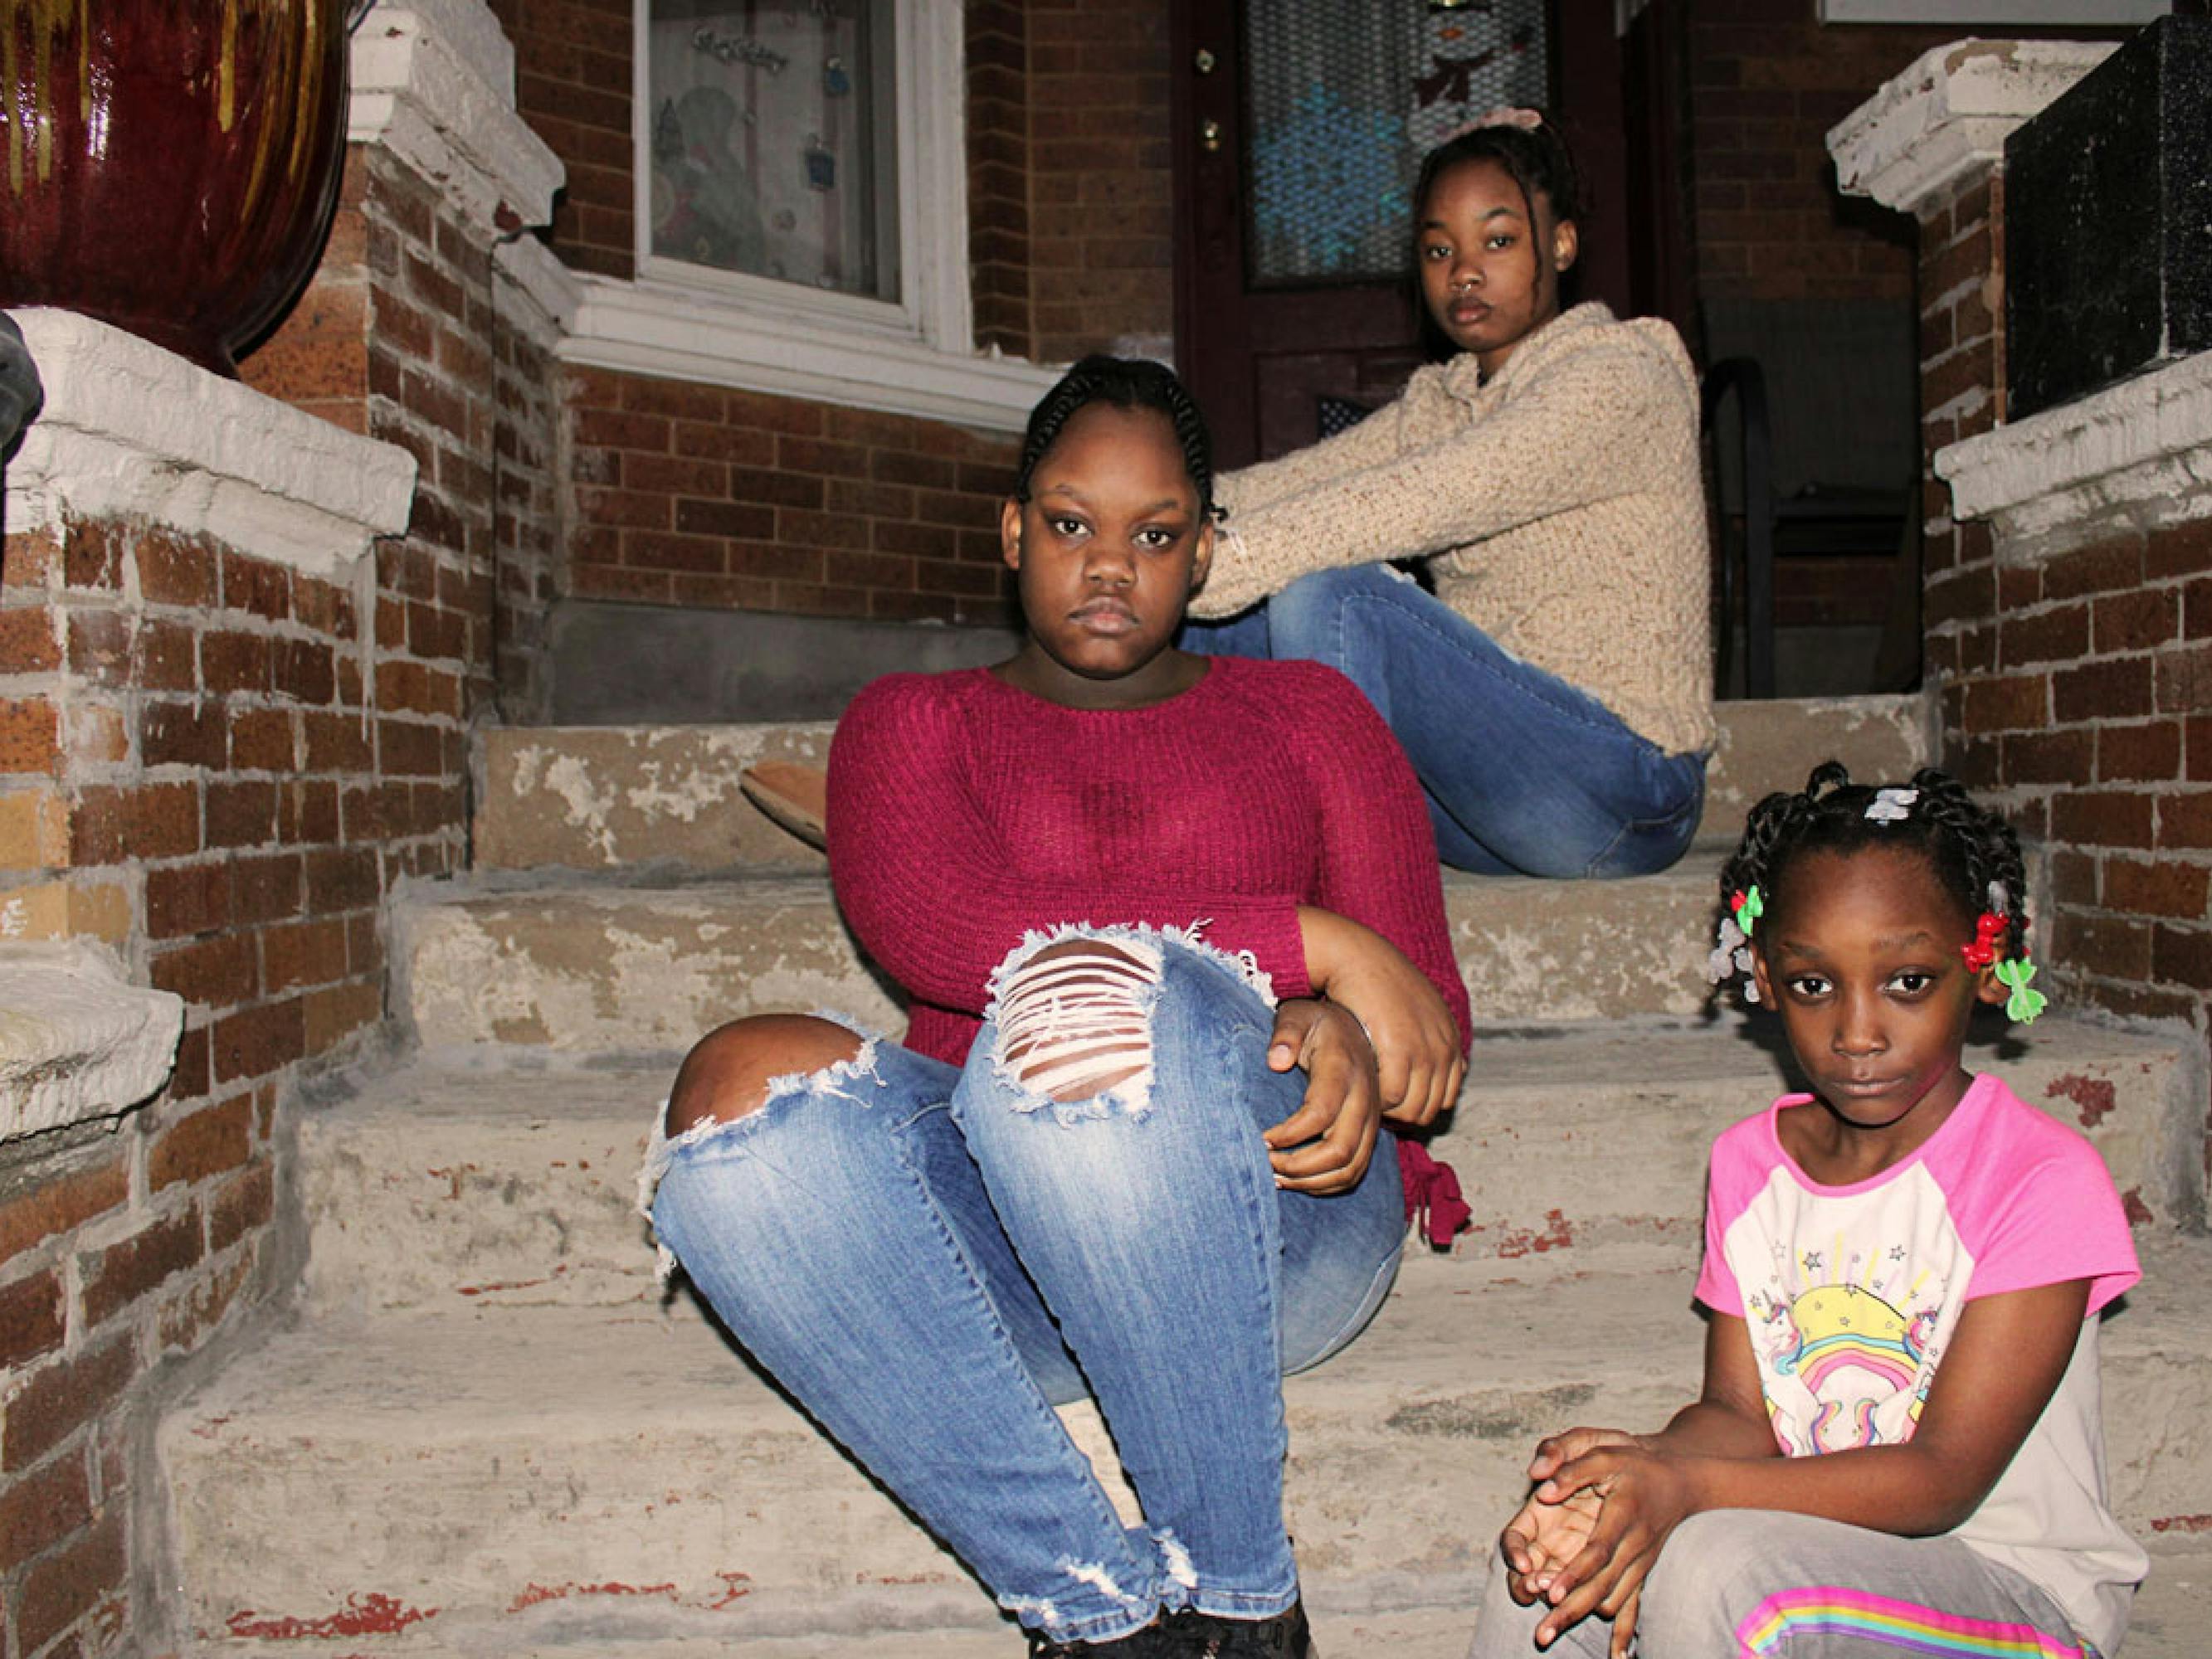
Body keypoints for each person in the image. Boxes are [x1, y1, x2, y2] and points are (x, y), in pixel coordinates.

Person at [642, 356, 1473, 1657]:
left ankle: (1243, 1591)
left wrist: (1337, 1024)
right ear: (1012, 529)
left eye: (1153, 536)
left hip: (1272, 1225)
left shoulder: (1310, 715)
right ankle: (1099, 1611)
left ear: (1201, 554)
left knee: (1102, 1005)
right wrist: (1298, 948)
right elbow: (944, 933)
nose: (1107, 567)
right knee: (740, 1090)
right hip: (998, 1254)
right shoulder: (911, 725)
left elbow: (1423, 1021)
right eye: (1072, 525)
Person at [1464, 763, 2144, 1659]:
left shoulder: (2036, 1175)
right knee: (1558, 1566)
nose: (1857, 1032)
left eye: (1905, 980)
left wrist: (1689, 1491)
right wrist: (1635, 1471)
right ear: (1764, 976)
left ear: (1983, 967)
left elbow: (1942, 1478)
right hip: (1808, 1551)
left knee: (1715, 1561)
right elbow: (1738, 1417)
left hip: (2010, 1593)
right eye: (1814, 984)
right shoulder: (1749, 1163)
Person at [1182, 112, 1713, 879]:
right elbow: (1300, 482)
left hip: (1622, 791)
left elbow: (1423, 496)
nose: (1464, 271)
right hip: (1487, 803)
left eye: (1497, 241)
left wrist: (1207, 562)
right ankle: (1159, 849)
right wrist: (1139, 521)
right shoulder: (1447, 400)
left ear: (1560, 243)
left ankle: (1359, 905)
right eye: (1439, 250)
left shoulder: (1619, 379)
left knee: (1331, 600)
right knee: (1199, 627)